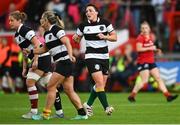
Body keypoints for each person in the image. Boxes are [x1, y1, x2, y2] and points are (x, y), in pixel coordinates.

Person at [23, 11, 87, 120]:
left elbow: (67, 41)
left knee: (51, 86)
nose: (40, 21)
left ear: (46, 20)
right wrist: (31, 52)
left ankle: (45, 114)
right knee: (69, 90)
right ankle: (82, 114)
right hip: (64, 63)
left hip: (64, 62)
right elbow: (45, 49)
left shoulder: (56, 29)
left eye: (42, 19)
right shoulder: (47, 33)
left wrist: (70, 55)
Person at [8, 10, 64, 119]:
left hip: (42, 58)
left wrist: (36, 60)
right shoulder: (17, 34)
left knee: (30, 82)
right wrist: (24, 67)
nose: (10, 22)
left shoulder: (25, 30)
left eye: (12, 20)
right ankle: (59, 112)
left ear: (19, 21)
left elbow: (37, 44)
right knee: (49, 85)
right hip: (40, 58)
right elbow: (24, 51)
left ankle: (33, 112)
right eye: (9, 20)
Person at [73, 3, 117, 116]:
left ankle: (88, 104)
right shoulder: (82, 26)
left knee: (101, 84)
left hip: (104, 57)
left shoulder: (105, 23)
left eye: (90, 10)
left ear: (96, 12)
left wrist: (105, 36)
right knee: (99, 83)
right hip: (91, 56)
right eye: (86, 11)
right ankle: (106, 107)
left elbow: (114, 37)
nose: (88, 13)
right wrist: (75, 38)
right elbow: (77, 39)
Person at [128, 21, 178, 102]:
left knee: (158, 78)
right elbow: (139, 49)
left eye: (146, 28)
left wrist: (156, 50)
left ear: (149, 29)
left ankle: (168, 96)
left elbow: (150, 49)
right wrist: (150, 48)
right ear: (141, 29)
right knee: (144, 80)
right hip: (143, 62)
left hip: (151, 61)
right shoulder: (140, 38)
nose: (144, 29)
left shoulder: (149, 37)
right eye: (143, 28)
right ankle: (132, 95)